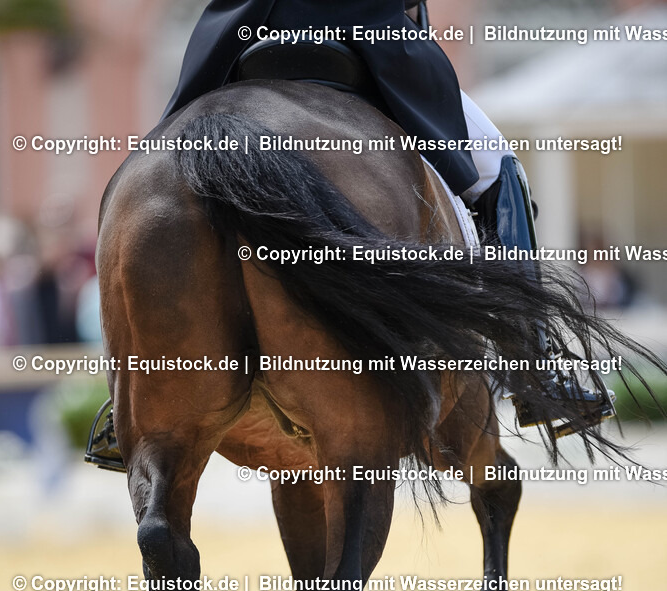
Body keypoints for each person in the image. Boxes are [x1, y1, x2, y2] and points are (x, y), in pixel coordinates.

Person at [86, 0, 613, 471]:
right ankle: (535, 370)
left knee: (154, 171)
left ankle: (132, 401)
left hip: (238, 41)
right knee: (497, 170)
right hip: (366, 38)